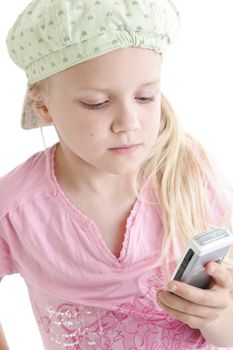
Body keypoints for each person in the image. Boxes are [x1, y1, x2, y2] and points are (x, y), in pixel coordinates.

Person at [1, 0, 233, 349]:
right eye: (96, 102)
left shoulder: (187, 172)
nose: (129, 123)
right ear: (43, 106)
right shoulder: (16, 208)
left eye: (145, 97)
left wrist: (218, 314)